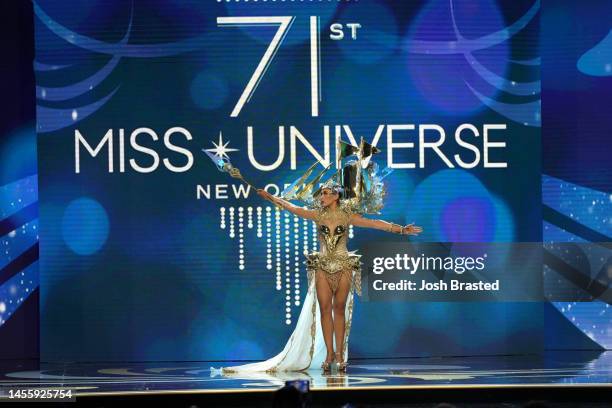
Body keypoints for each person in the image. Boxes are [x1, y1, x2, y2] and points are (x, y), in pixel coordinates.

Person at [210, 177, 422, 375]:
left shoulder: (347, 215)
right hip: (321, 266)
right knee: (324, 310)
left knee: (339, 309)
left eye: (326, 193)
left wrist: (401, 230)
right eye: (321, 193)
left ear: (336, 196)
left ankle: (340, 355)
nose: (321, 197)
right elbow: (293, 208)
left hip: (344, 265)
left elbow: (375, 224)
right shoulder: (317, 215)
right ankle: (329, 353)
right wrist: (271, 197)